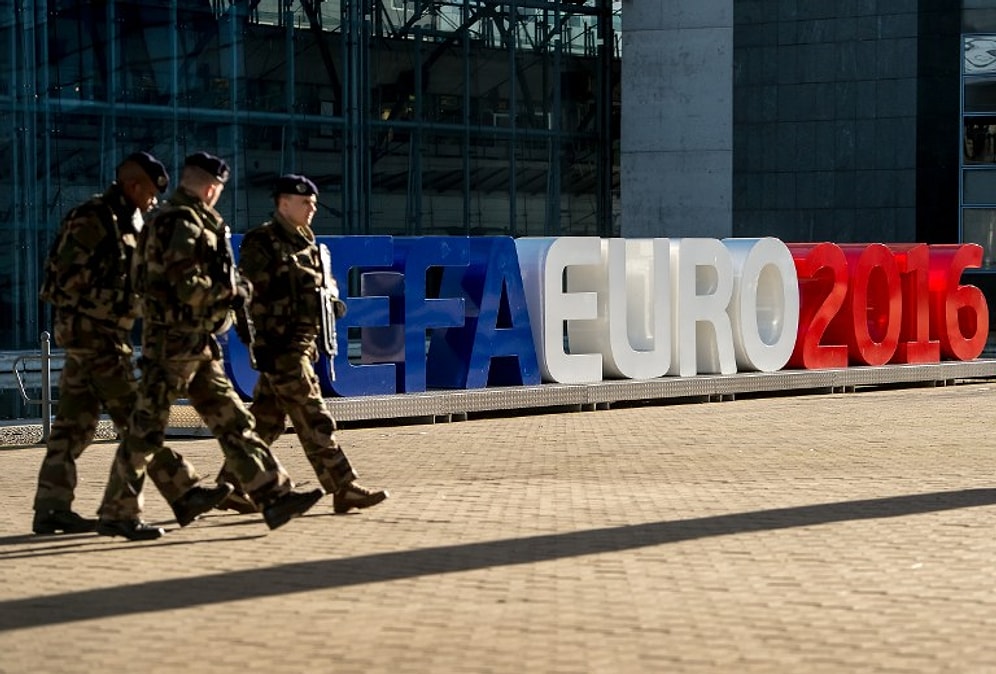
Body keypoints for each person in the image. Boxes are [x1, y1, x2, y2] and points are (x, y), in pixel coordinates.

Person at [97, 153, 324, 541]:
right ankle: (118, 512)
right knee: (146, 429)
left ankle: (273, 495)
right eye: (218, 190)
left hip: (194, 344)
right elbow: (187, 287)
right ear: (211, 187)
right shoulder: (179, 223)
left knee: (235, 421)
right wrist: (233, 290)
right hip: (173, 344)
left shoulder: (187, 221)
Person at [32, 152, 230, 535]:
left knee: (74, 427)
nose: (155, 200)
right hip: (94, 335)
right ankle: (179, 492)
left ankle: (51, 508)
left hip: (104, 334)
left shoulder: (130, 221)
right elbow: (64, 283)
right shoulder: (93, 218)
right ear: (133, 185)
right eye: (151, 192)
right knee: (139, 418)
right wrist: (124, 304)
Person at [217, 174, 387, 515]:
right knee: (314, 417)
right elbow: (250, 293)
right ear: (283, 203)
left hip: (305, 344)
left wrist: (332, 300)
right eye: (305, 202)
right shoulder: (261, 242)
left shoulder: (310, 245)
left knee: (266, 421)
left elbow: (326, 285)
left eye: (313, 202)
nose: (312, 208)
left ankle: (230, 486)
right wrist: (259, 337)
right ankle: (343, 486)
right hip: (281, 347)